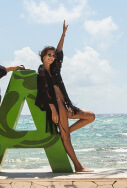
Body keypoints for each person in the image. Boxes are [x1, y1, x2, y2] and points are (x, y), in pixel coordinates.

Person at [33, 20, 95, 173]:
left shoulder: (54, 70)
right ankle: (78, 166)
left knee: (90, 116)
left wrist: (63, 34)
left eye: (53, 56)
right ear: (42, 56)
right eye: (49, 55)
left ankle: (64, 132)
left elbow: (59, 51)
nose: (52, 57)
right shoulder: (41, 72)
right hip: (56, 106)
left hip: (65, 105)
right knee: (67, 138)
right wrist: (53, 109)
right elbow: (44, 93)